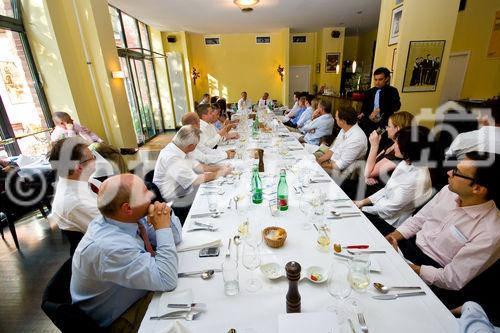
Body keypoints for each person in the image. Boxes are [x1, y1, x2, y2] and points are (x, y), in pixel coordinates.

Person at [71, 174, 182, 332]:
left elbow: (176, 238)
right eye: (145, 193)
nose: (151, 195)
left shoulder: (126, 218)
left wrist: (165, 217)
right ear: (127, 208)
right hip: (121, 317)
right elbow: (167, 280)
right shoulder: (109, 247)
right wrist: (162, 228)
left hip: (135, 292)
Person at [384, 152, 499, 304]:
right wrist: (390, 238)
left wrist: (406, 266)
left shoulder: (491, 232)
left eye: (456, 172)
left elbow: (452, 278)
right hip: (407, 246)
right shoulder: (448, 191)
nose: (449, 172)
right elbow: (419, 220)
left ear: (477, 189)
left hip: (432, 276)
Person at [354, 126, 433, 234]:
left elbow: (388, 210)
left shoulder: (417, 179)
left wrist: (361, 208)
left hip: (389, 223)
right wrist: (361, 202)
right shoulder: (406, 162)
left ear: (409, 148)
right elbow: (386, 190)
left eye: (397, 143)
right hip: (379, 209)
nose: (394, 145)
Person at [153, 125, 231, 218]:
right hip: (173, 201)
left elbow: (199, 167)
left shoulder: (179, 147)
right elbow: (196, 180)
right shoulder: (172, 158)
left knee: (217, 195)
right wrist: (221, 173)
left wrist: (220, 167)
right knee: (214, 204)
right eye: (196, 145)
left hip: (183, 190)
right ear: (191, 146)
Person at [48, 137, 100, 235]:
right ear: (78, 167)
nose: (95, 160)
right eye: (92, 157)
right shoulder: (76, 203)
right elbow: (112, 229)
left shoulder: (84, 180)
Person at [363, 111, 415, 194]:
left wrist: (374, 146)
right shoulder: (392, 143)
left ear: (397, 129)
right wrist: (366, 176)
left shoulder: (399, 153)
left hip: (378, 193)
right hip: (368, 186)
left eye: (389, 126)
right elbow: (373, 164)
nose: (386, 128)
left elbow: (368, 173)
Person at [316, 106, 367, 172]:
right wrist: (319, 161)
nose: (335, 118)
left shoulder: (357, 138)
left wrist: (319, 166)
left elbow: (340, 165)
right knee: (309, 158)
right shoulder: (344, 128)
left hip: (343, 172)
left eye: (336, 117)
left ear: (343, 121)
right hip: (332, 161)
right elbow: (333, 149)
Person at [359, 67, 401, 135]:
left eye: (380, 79)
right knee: (368, 139)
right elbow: (364, 109)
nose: (377, 82)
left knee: (380, 139)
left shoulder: (392, 91)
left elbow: (397, 106)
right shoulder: (369, 92)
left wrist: (380, 109)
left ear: (386, 79)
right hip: (369, 123)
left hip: (384, 124)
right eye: (375, 80)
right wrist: (366, 115)